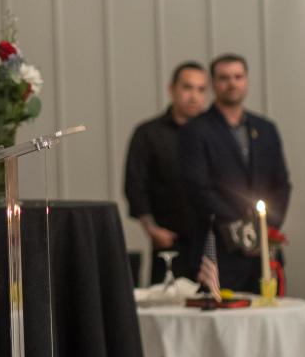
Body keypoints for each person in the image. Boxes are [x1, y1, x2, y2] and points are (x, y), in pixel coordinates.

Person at [179, 53, 292, 293]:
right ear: (213, 84)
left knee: (267, 316)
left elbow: (281, 183)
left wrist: (267, 225)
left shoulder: (266, 128)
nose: (232, 83)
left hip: (264, 248)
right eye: (224, 78)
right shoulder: (196, 130)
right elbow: (197, 187)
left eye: (238, 77)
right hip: (221, 249)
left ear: (246, 80)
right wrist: (242, 227)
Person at [124, 61, 208, 285]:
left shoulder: (213, 133)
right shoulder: (149, 133)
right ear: (172, 89)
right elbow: (135, 185)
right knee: (169, 305)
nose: (194, 96)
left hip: (210, 241)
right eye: (187, 87)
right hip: (169, 241)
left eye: (201, 89)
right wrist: (151, 229)